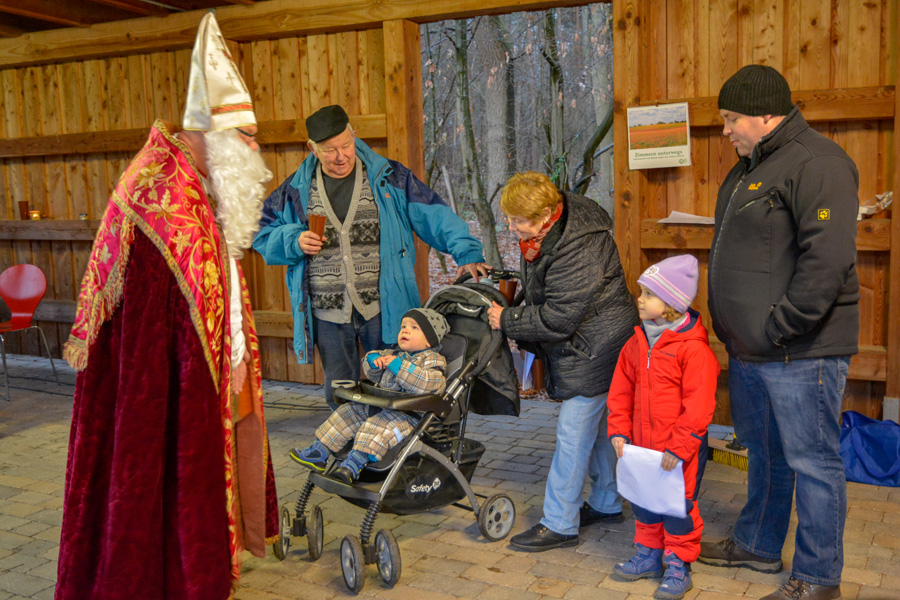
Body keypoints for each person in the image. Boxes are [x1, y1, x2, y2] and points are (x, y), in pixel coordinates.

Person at [56, 13, 279, 600]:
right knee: (158, 473)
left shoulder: (195, 184)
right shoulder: (160, 189)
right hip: (161, 387)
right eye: (247, 138)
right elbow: (155, 320)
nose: (257, 152)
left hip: (207, 374)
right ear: (211, 133)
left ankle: (202, 563)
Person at [701, 64, 859, 600]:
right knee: (766, 453)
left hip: (800, 350)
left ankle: (817, 580)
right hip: (753, 350)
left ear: (766, 115)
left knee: (812, 463)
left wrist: (781, 327)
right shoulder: (753, 164)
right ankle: (758, 544)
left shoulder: (818, 162)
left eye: (732, 118)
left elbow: (828, 259)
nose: (726, 129)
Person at [252, 104, 488, 410]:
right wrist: (293, 240)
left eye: (346, 145)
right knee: (341, 391)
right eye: (330, 149)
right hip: (327, 311)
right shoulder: (294, 190)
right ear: (312, 148)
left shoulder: (390, 177)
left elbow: (434, 216)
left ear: (354, 135)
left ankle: (386, 451)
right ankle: (347, 450)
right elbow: (261, 234)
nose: (341, 156)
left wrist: (466, 251)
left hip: (384, 306)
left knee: (394, 386)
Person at [486, 171, 638, 551]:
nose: (511, 227)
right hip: (595, 341)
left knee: (573, 434)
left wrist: (507, 320)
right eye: (509, 218)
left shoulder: (578, 246)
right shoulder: (549, 232)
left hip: (596, 346)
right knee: (600, 429)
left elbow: (559, 317)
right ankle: (605, 502)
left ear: (546, 214)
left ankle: (559, 523)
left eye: (517, 221)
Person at [607, 255, 720, 600]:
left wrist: (680, 448)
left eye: (648, 294)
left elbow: (699, 405)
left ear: (671, 304)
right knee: (645, 500)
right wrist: (618, 431)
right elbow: (621, 390)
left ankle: (678, 564)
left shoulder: (694, 350)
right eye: (641, 293)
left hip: (678, 451)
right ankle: (649, 554)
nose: (639, 299)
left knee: (678, 507)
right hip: (641, 445)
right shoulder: (637, 342)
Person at [289, 308, 449, 483]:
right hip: (381, 405)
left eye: (414, 328)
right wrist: (373, 362)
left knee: (376, 426)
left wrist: (399, 367)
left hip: (408, 416)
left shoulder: (433, 360)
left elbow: (429, 383)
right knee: (349, 411)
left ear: (429, 341)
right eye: (403, 326)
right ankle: (319, 452)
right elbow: (373, 371)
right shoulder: (394, 354)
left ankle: (352, 466)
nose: (405, 330)